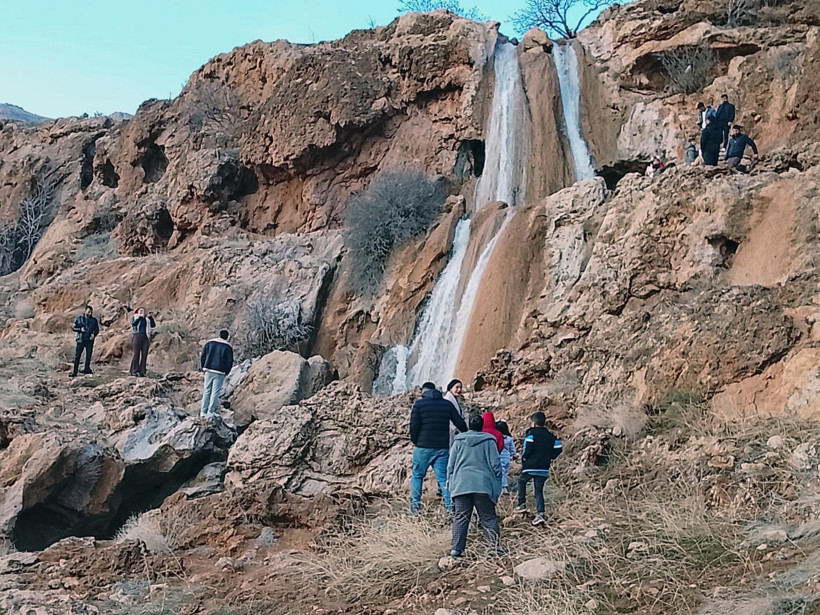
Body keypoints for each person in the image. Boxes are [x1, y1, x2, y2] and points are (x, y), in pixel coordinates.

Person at [447, 413, 504, 558]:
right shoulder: (489, 441)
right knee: (488, 517)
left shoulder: (458, 441)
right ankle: (494, 549)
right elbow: (496, 465)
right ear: (482, 426)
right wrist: (497, 485)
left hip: (461, 485)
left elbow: (451, 466)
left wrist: (451, 483)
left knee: (460, 517)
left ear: (468, 426)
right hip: (483, 485)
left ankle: (456, 549)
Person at [409, 382, 468, 513]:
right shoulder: (446, 404)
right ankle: (450, 507)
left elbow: (413, 426)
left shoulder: (419, 405)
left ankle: (415, 507)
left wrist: (416, 441)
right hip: (442, 447)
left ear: (423, 392)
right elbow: (460, 422)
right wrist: (467, 434)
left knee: (418, 475)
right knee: (443, 478)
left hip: (423, 446)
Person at [516, 411, 563, 526]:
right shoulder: (550, 436)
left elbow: (527, 449)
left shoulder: (531, 434)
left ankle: (521, 504)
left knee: (521, 481)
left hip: (530, 466)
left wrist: (524, 458)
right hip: (543, 467)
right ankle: (540, 514)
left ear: (533, 423)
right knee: (538, 491)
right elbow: (558, 448)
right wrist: (550, 456)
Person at [200, 329, 234, 418]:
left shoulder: (209, 343)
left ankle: (203, 412)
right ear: (227, 337)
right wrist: (227, 371)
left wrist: (203, 366)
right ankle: (210, 412)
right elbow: (229, 361)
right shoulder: (228, 347)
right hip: (219, 371)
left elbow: (203, 355)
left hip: (208, 369)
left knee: (207, 390)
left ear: (219, 334)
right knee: (215, 392)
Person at [71, 305, 99, 377]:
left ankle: (87, 369)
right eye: (89, 312)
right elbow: (74, 328)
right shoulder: (78, 319)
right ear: (85, 311)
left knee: (88, 355)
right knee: (77, 356)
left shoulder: (94, 320)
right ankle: (75, 372)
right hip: (81, 339)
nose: (90, 313)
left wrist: (94, 334)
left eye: (91, 312)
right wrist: (80, 330)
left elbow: (97, 329)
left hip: (89, 340)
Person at [130, 307, 155, 377]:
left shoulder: (147, 319)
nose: (142, 312)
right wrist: (140, 317)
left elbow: (153, 325)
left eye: (143, 311)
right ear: (137, 312)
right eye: (140, 311)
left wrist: (151, 318)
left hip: (146, 337)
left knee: (144, 354)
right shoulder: (135, 318)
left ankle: (142, 371)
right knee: (136, 354)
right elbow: (134, 324)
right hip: (137, 336)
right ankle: (134, 370)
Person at [496, 419, 518, 495]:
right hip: (507, 458)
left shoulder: (496, 438)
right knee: (505, 473)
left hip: (499, 457)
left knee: (500, 473)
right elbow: (512, 449)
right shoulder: (509, 438)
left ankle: (502, 488)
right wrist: (514, 455)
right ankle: (505, 488)